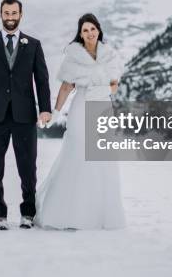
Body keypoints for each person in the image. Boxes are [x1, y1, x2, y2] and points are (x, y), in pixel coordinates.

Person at [35, 13, 126, 230]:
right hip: (80, 108)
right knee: (77, 154)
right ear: (80, 33)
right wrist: (55, 112)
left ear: (98, 30)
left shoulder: (109, 55)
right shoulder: (74, 55)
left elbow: (114, 86)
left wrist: (100, 90)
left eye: (92, 29)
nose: (89, 33)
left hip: (102, 108)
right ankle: (68, 214)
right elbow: (67, 87)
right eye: (85, 30)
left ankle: (99, 216)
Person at [0, 0, 52, 230]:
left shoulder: (33, 45)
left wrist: (45, 109)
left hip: (25, 116)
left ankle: (28, 213)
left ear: (21, 15)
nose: (11, 18)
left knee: (28, 168)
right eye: (7, 13)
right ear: (1, 14)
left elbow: (42, 80)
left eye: (14, 13)